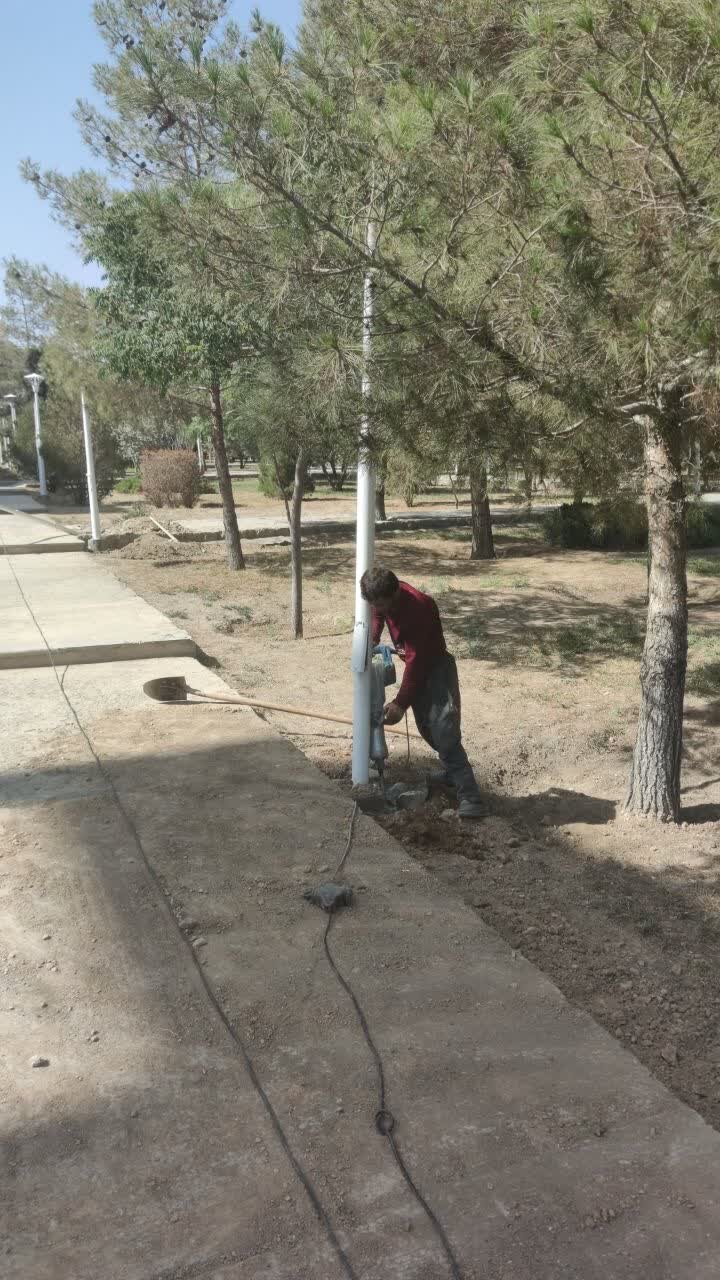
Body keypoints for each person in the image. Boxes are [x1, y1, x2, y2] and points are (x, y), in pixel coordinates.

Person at [361, 565, 484, 819]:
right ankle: (451, 774)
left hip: (436, 671)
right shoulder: (385, 599)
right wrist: (372, 638)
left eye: (380, 604)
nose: (377, 608)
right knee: (427, 728)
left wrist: (400, 703)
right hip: (417, 669)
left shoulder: (419, 608)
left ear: (393, 595)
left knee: (445, 733)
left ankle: (471, 797)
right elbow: (377, 613)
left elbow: (417, 663)